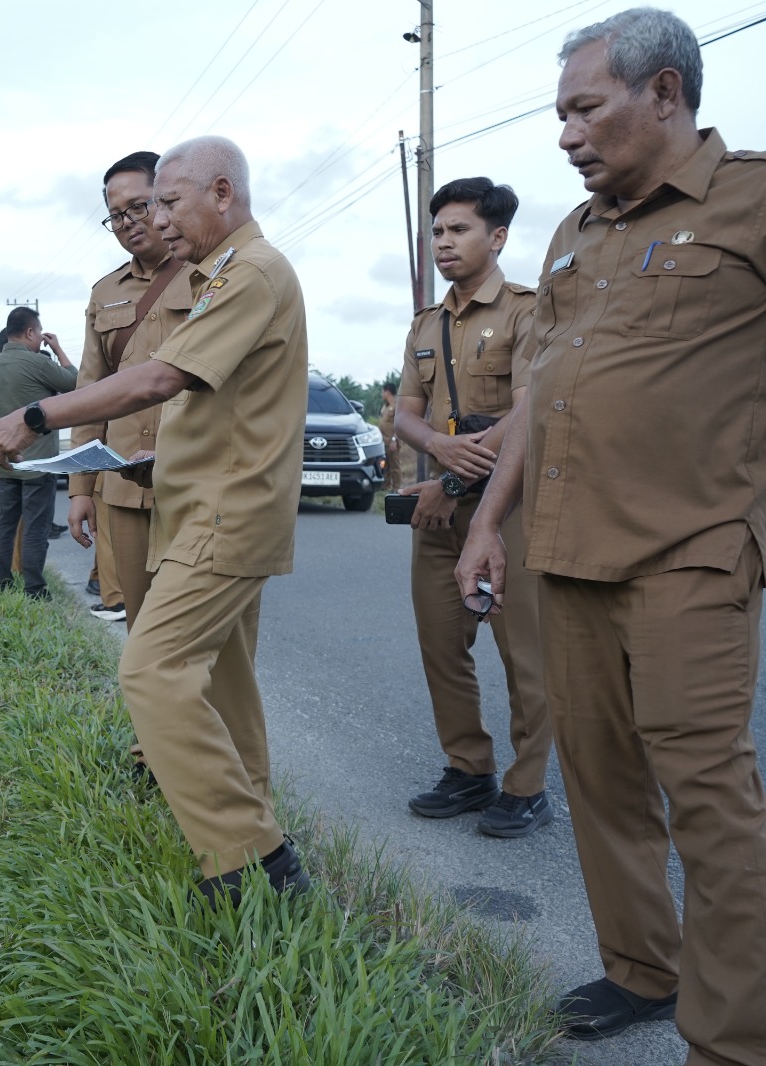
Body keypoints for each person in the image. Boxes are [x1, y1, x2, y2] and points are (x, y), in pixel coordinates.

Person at [456, 9, 766, 1057]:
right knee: (599, 782)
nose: (566, 135)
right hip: (565, 551)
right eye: (562, 114)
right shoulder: (573, 235)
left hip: (692, 551)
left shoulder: (752, 201)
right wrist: (487, 523)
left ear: (665, 92)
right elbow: (537, 395)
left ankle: (731, 1039)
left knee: (711, 803)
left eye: (585, 109)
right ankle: (641, 969)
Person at [0, 135, 311, 907]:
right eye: (145, 208)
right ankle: (254, 818)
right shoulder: (221, 273)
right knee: (225, 682)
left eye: (168, 203)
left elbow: (155, 380)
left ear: (221, 193)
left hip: (225, 511)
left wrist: (35, 415)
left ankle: (252, 861)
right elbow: (188, 393)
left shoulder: (251, 272)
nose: (156, 220)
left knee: (151, 669)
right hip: (201, 502)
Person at [393, 178, 554, 839]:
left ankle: (527, 786)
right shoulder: (424, 324)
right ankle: (469, 768)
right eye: (437, 231)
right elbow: (405, 414)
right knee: (442, 646)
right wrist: (435, 448)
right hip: (437, 512)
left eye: (458, 230)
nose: (443, 242)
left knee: (524, 654)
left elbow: (528, 413)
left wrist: (451, 478)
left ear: (498, 237)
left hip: (508, 508)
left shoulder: (527, 312)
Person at [68, 151, 196, 627]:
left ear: (166, 200)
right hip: (123, 491)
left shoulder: (211, 275)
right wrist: (80, 490)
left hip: (193, 484)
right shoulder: (104, 293)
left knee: (194, 628)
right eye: (116, 215)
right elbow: (91, 391)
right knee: (140, 625)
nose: (128, 223)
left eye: (139, 206)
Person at [0, 307, 76, 598]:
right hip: (39, 465)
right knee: (35, 527)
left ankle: (1, 582)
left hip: (4, 464)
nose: (40, 340)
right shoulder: (38, 363)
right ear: (30, 332)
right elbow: (75, 383)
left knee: (5, 523)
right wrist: (57, 349)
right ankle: (34, 588)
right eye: (39, 334)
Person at [379, 380, 402, 494]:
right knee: (385, 465)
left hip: (392, 441)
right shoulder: (385, 406)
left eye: (382, 392)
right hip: (384, 441)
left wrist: (394, 439)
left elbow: (399, 424)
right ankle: (386, 486)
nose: (382, 394)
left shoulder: (397, 405)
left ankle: (396, 488)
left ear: (387, 392)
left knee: (395, 466)